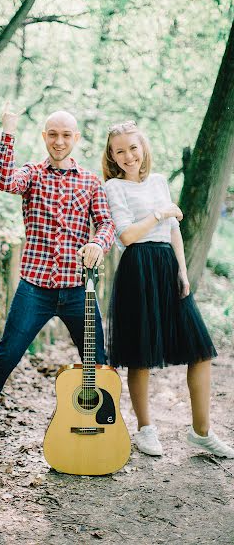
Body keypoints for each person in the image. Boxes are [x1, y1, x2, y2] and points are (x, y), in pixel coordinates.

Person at [0, 104, 115, 445]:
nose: (59, 142)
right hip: (35, 287)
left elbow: (106, 223)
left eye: (65, 136)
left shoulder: (90, 181)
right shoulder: (32, 173)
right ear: (45, 137)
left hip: (77, 289)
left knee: (98, 363)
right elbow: (4, 181)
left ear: (76, 138)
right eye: (53, 135)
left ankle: (106, 432)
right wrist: (8, 131)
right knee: (6, 357)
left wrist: (98, 244)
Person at [102, 119, 234, 458]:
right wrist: (161, 213)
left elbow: (174, 230)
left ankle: (201, 431)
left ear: (143, 146)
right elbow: (127, 235)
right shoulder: (114, 187)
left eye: (133, 147)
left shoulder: (159, 181)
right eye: (120, 151)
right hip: (138, 266)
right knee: (139, 355)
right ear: (113, 157)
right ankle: (146, 430)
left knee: (200, 351)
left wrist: (183, 270)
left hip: (166, 264)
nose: (128, 156)